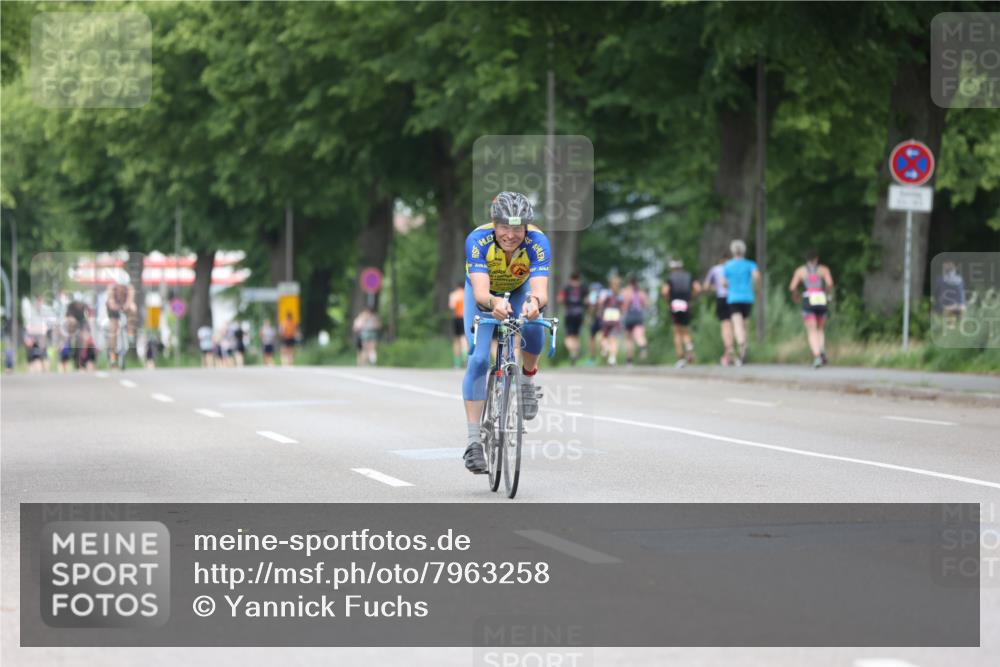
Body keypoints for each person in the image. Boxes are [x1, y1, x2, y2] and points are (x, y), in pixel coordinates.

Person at [461, 191, 550, 474]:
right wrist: (494, 303)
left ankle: (527, 382)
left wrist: (534, 305)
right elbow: (480, 294)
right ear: (493, 223)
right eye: (504, 227)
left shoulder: (538, 242)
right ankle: (474, 443)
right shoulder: (477, 241)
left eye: (517, 228)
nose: (510, 235)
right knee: (477, 359)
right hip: (484, 295)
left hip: (519, 290)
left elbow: (540, 292)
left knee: (535, 326)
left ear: (526, 227)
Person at [789, 249, 835, 368]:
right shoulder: (823, 270)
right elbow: (830, 284)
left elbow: (792, 287)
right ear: (817, 258)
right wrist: (829, 296)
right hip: (821, 298)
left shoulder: (800, 271)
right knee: (820, 328)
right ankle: (821, 350)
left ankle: (817, 355)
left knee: (811, 330)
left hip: (808, 298)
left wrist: (796, 296)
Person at [721, 239, 761, 366]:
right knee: (745, 324)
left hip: (734, 298)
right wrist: (757, 289)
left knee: (737, 324)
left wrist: (731, 286)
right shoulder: (750, 264)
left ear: (733, 251)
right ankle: (743, 345)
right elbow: (757, 276)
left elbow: (723, 283)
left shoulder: (728, 265)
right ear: (744, 251)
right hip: (747, 297)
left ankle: (742, 344)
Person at [662, 259, 701, 368]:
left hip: (675, 303)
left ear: (673, 268)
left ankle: (680, 358)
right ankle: (688, 345)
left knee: (677, 332)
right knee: (685, 330)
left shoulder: (670, 277)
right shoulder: (689, 276)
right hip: (686, 303)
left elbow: (664, 291)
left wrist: (668, 301)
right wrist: (692, 298)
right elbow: (698, 288)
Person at [702, 252, 735, 365]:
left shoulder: (715, 269)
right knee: (735, 326)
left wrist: (715, 288)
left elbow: (705, 287)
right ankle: (731, 352)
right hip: (735, 298)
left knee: (725, 326)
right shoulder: (733, 268)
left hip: (722, 298)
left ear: (720, 260)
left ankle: (728, 351)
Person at [105, 274, 137, 368]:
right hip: (113, 309)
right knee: (113, 329)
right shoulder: (111, 288)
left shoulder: (130, 288)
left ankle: (130, 332)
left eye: (124, 286)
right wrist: (115, 306)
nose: (122, 288)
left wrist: (126, 307)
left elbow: (130, 300)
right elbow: (110, 301)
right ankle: (113, 355)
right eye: (120, 286)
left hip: (124, 307)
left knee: (133, 308)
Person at [558, 273, 587, 365]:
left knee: (568, 336)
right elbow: (587, 300)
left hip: (569, 313)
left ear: (571, 279)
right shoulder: (583, 288)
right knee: (576, 335)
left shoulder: (566, 288)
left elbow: (560, 299)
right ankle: (575, 352)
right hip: (579, 313)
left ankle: (572, 352)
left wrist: (565, 304)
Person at [620, 276, 649, 365]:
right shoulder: (641, 293)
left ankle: (629, 361)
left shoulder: (625, 292)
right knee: (639, 335)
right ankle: (643, 346)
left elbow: (623, 305)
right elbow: (647, 305)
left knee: (629, 339)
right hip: (639, 315)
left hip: (629, 315)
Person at [598, 275, 623, 365]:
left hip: (607, 315)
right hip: (616, 316)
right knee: (614, 339)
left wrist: (600, 311)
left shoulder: (605, 292)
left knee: (604, 336)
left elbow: (600, 302)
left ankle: (606, 348)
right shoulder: (620, 294)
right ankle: (612, 358)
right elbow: (622, 307)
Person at [934, 261, 966, 328]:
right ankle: (958, 324)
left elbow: (936, 293)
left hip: (949, 307)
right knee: (961, 323)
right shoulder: (960, 279)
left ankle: (950, 325)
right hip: (961, 306)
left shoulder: (940, 279)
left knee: (938, 312)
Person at [448, 282, 468, 368]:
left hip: (457, 318)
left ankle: (457, 363)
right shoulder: (466, 294)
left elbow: (451, 306)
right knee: (464, 339)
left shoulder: (454, 294)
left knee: (456, 340)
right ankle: (465, 358)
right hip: (465, 317)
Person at [585, 281, 604, 363]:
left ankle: (592, 358)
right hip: (603, 318)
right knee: (603, 337)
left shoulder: (592, 295)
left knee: (592, 338)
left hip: (595, 318)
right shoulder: (603, 295)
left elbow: (591, 307)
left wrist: (589, 317)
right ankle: (603, 355)